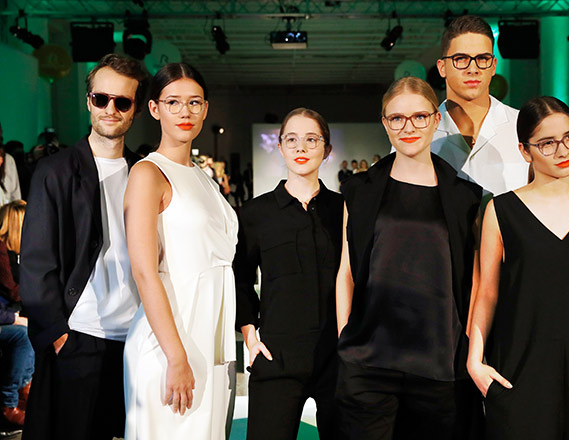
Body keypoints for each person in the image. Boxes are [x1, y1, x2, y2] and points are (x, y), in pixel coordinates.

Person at [467, 96, 569, 439]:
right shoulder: (501, 211)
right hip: (520, 371)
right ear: (525, 150)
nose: (563, 150)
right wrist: (475, 361)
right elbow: (487, 292)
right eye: (547, 142)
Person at [336, 77, 482, 439]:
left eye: (419, 117)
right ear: (385, 123)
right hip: (368, 361)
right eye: (397, 118)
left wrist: (465, 343)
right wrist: (346, 338)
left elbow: (475, 280)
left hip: (438, 363)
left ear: (435, 119)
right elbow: (346, 272)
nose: (409, 127)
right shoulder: (359, 190)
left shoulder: (465, 197)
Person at [20, 53, 147, 440]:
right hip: (78, 336)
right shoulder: (54, 171)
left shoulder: (145, 172)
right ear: (88, 100)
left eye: (122, 102)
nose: (110, 109)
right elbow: (37, 260)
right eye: (101, 99)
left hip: (137, 339)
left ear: (136, 110)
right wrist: (57, 333)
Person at [123, 62, 238, 440]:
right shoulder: (147, 174)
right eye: (173, 102)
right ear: (154, 109)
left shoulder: (204, 178)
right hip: (169, 342)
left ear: (205, 108)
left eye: (193, 102)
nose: (184, 112)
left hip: (207, 339)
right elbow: (144, 270)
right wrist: (176, 356)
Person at [235, 108, 343, 439]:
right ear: (280, 147)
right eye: (292, 140)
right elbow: (239, 276)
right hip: (277, 355)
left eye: (312, 140)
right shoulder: (256, 213)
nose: (301, 148)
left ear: (326, 150)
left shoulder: (344, 210)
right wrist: (250, 334)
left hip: (337, 359)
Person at [434, 15, 528, 196]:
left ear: (493, 66)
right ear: (442, 67)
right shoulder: (418, 133)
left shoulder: (522, 126)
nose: (473, 69)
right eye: (461, 59)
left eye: (482, 58)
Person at [0, 200, 32, 427]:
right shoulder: (2, 252)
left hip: (9, 314)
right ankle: (9, 402)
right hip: (5, 317)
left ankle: (26, 391)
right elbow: (14, 291)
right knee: (24, 334)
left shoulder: (14, 252)